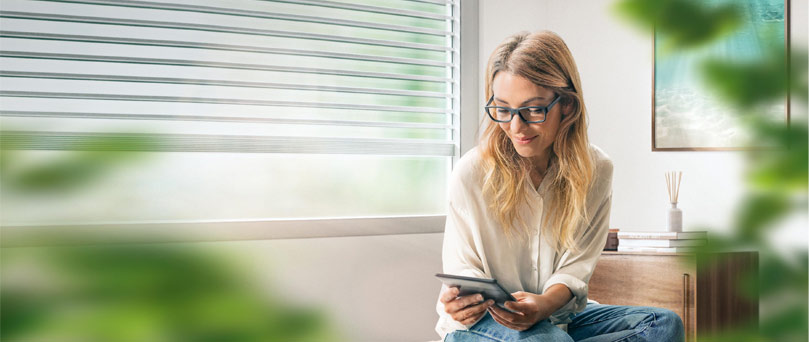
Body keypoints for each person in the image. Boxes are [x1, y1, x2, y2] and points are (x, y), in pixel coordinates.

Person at [434, 31, 685, 342]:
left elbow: (576, 267)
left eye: (533, 110)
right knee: (550, 340)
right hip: (483, 324)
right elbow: (464, 270)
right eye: (503, 109)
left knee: (663, 325)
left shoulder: (596, 170)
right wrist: (461, 302)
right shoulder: (471, 172)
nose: (516, 127)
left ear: (566, 105)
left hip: (557, 317)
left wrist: (544, 305)